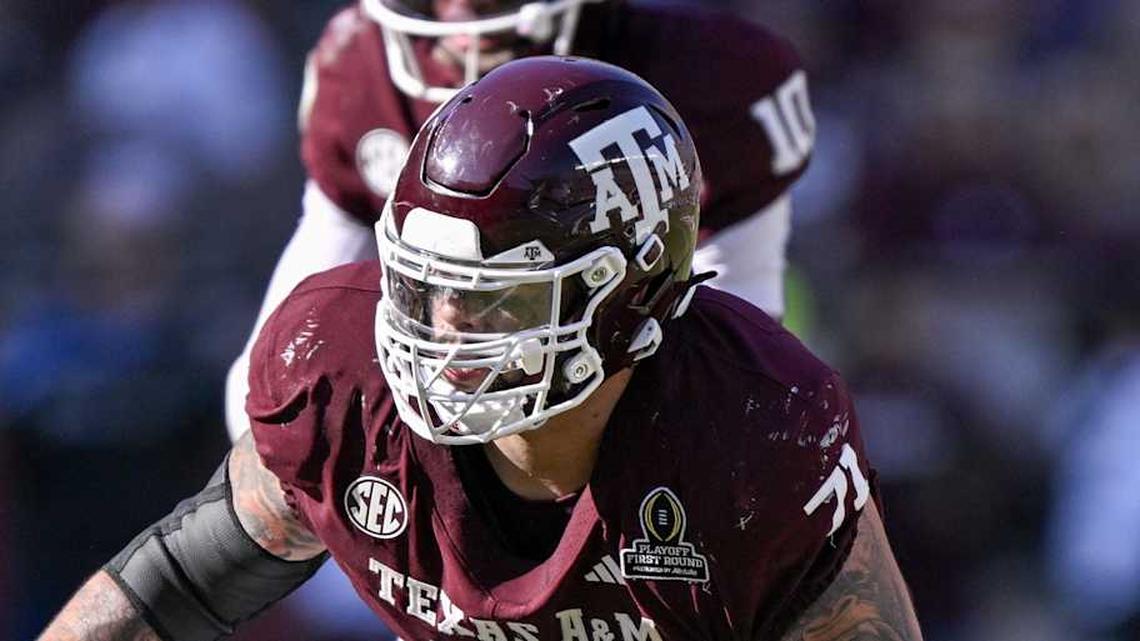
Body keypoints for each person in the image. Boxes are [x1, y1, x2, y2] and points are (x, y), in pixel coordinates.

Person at [39, 58, 920, 641]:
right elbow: (172, 585)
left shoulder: (752, 431)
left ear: (627, 293)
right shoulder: (339, 379)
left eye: (496, 295)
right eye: (422, 285)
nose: (443, 324)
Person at [224, 0, 816, 442]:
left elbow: (722, 383)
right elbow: (267, 382)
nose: (458, 10)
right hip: (439, 423)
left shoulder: (710, 79)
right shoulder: (360, 67)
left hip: (620, 415)